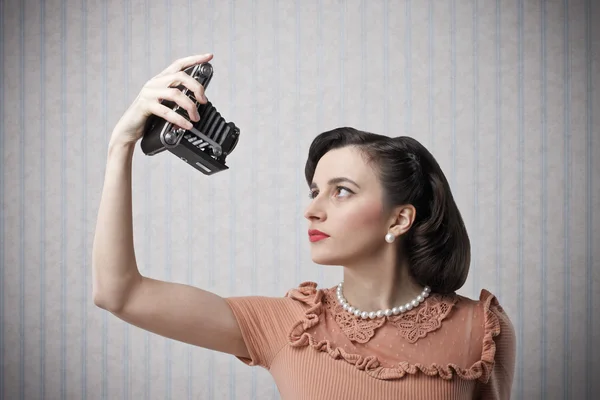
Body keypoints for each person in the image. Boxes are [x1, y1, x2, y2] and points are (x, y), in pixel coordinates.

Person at [92, 53, 516, 400]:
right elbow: (120, 293)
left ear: (400, 218)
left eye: (342, 191)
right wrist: (121, 145)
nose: (312, 210)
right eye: (314, 191)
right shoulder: (288, 324)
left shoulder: (480, 329)